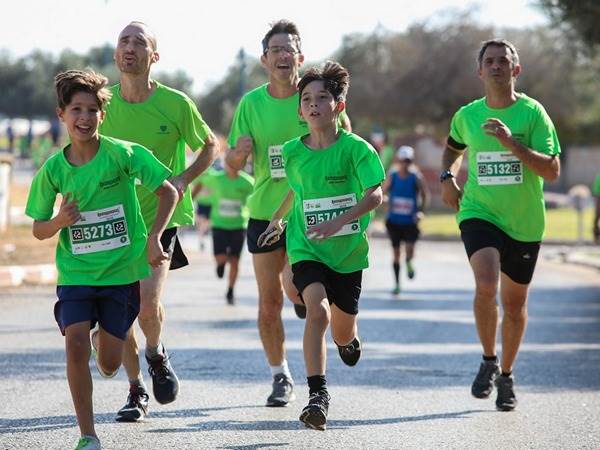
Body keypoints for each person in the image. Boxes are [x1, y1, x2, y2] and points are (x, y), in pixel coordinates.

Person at [25, 69, 178, 450]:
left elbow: (169, 192)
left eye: (93, 109)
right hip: (77, 273)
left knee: (109, 363)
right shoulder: (53, 170)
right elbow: (38, 229)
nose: (84, 117)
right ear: (61, 114)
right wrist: (60, 220)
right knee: (74, 345)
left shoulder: (122, 154)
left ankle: (103, 337)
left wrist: (156, 236)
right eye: (76, 108)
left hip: (122, 273)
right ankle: (88, 436)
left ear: (102, 116)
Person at [226, 19, 351, 407]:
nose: (283, 55)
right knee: (268, 303)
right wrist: (238, 154)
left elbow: (345, 148)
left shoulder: (316, 98)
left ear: (300, 55)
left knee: (294, 286)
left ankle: (304, 299)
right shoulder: (250, 104)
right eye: (275, 49)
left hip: (308, 211)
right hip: (265, 212)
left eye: (289, 48)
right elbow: (230, 166)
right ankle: (280, 374)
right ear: (265, 59)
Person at [99, 21, 218, 422]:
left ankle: (155, 352)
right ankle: (136, 391)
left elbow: (209, 144)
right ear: (116, 53)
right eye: (123, 41)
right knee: (120, 313)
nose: (129, 47)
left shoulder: (176, 103)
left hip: (159, 219)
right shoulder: (102, 104)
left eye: (139, 42)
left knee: (147, 305)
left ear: (155, 56)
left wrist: (184, 178)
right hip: (112, 223)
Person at [258, 61, 384, 430]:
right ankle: (318, 395)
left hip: (347, 253)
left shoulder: (355, 149)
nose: (314, 104)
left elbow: (374, 196)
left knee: (342, 331)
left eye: (323, 98)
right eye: (307, 99)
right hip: (307, 247)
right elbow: (296, 190)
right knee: (318, 312)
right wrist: (278, 219)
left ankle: (348, 340)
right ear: (299, 110)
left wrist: (338, 222)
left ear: (338, 106)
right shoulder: (292, 151)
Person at [441, 39, 560, 411]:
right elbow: (453, 147)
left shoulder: (532, 114)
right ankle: (488, 360)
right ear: (479, 71)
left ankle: (506, 374)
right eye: (489, 61)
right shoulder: (467, 115)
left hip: (524, 222)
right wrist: (447, 176)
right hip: (480, 212)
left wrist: (512, 144)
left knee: (514, 304)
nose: (496, 66)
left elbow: (552, 171)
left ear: (515, 70)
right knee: (486, 282)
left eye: (503, 61)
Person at [195, 162, 254, 304]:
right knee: (220, 258)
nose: (232, 166)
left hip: (238, 225)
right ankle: (221, 263)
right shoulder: (215, 178)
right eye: (229, 163)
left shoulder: (248, 182)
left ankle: (230, 290)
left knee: (235, 261)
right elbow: (200, 180)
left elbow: (256, 198)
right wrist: (190, 197)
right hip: (219, 224)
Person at [382, 145, 428, 295]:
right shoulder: (393, 176)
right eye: (403, 161)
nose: (405, 164)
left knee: (409, 251)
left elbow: (425, 194)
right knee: (396, 253)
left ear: (412, 161)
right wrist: (385, 200)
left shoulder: (416, 177)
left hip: (410, 222)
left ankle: (409, 262)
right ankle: (397, 284)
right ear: (398, 160)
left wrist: (421, 211)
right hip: (394, 221)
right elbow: (382, 192)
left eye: (408, 161)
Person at [191, 166, 217, 252]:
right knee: (201, 222)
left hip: (210, 203)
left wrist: (210, 192)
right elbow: (194, 188)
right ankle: (201, 240)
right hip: (201, 203)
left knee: (207, 223)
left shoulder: (213, 175)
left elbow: (217, 188)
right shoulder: (197, 175)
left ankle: (203, 236)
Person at [593, 172, 600, 244]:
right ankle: (596, 236)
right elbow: (596, 191)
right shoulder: (599, 177)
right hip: (599, 198)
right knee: (597, 217)